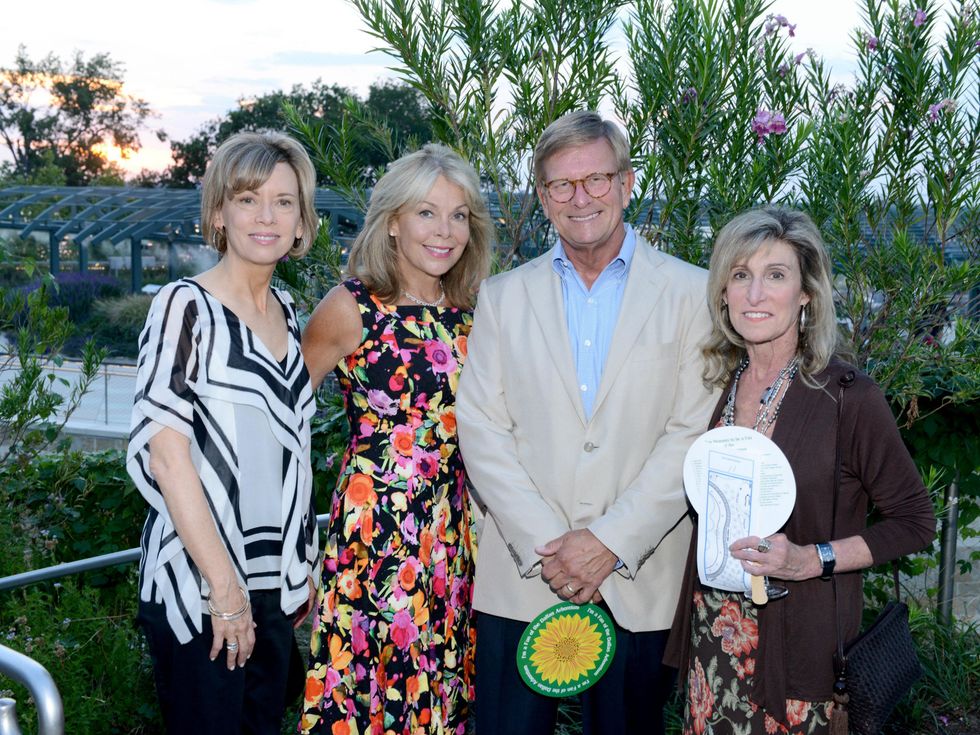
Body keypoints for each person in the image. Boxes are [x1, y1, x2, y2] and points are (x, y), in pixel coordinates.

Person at [454, 110, 719, 735]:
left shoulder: (693, 293)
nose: (581, 198)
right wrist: (552, 547)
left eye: (596, 179)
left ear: (626, 183)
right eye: (561, 184)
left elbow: (691, 433)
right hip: (525, 573)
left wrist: (608, 543)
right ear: (543, 196)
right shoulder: (503, 297)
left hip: (637, 577)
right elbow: (482, 428)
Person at [664, 207, 936, 734]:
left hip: (796, 662)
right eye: (740, 275)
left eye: (775, 275)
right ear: (722, 292)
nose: (755, 294)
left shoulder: (848, 397)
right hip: (712, 643)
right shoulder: (717, 385)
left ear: (806, 293)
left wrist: (812, 559)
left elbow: (915, 522)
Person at [128, 131, 320, 734]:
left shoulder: (287, 312)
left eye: (283, 202)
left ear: (301, 220)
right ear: (218, 213)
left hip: (270, 583)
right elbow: (166, 455)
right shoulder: (185, 306)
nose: (266, 217)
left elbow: (291, 452)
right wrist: (224, 590)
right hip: (203, 583)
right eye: (247, 199)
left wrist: (302, 566)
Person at [298, 143, 493, 735]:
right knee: (371, 692)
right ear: (391, 222)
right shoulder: (350, 307)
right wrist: (294, 551)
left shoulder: (477, 311)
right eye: (426, 213)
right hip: (375, 535)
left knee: (440, 690)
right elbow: (284, 427)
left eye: (459, 215)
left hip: (454, 534)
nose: (445, 231)